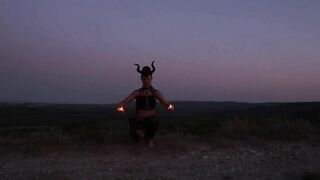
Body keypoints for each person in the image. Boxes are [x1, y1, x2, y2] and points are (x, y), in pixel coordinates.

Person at [116, 61, 174, 147]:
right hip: (140, 119)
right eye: (144, 79)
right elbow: (125, 101)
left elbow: (166, 103)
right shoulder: (137, 93)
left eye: (148, 79)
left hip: (151, 120)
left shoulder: (155, 92)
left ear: (151, 79)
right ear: (141, 79)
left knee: (153, 122)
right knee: (139, 134)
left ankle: (149, 139)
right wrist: (120, 105)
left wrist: (170, 106)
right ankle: (141, 138)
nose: (146, 81)